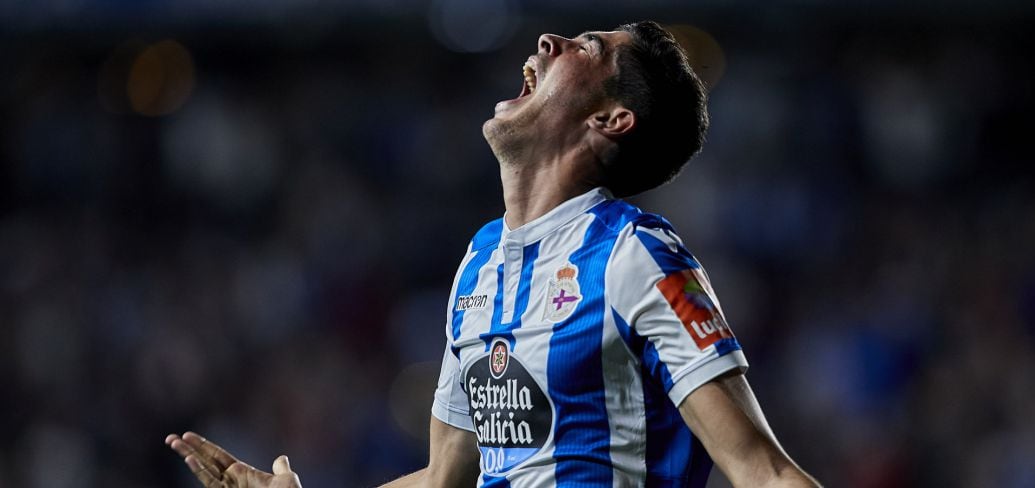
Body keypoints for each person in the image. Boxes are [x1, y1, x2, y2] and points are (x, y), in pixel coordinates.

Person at [166, 21, 820, 488]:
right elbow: (444, 477)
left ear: (611, 119)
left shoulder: (635, 254)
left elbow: (761, 470)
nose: (548, 41)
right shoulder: (480, 263)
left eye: (585, 47)